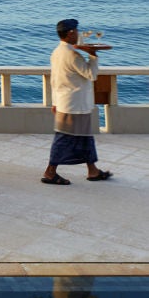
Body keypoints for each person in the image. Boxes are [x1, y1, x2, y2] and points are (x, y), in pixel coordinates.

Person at [42, 17, 112, 185]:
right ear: (70, 33)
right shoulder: (73, 56)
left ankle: (93, 171)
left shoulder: (57, 52)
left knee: (84, 137)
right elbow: (91, 75)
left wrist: (55, 102)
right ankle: (50, 172)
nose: (79, 34)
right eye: (77, 31)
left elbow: (55, 80)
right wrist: (93, 56)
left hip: (65, 102)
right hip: (75, 105)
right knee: (64, 138)